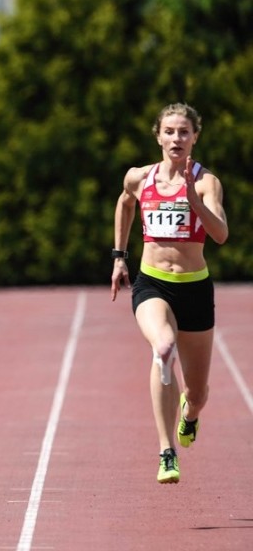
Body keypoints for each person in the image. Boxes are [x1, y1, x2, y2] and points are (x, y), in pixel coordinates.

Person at [111, 103, 228, 484]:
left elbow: (221, 234)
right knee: (162, 348)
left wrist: (195, 201)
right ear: (158, 136)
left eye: (184, 132)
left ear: (195, 136)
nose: (176, 138)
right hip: (152, 283)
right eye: (169, 131)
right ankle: (166, 452)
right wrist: (119, 257)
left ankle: (189, 416)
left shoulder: (206, 182)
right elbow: (125, 203)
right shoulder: (139, 178)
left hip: (194, 288)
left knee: (197, 392)